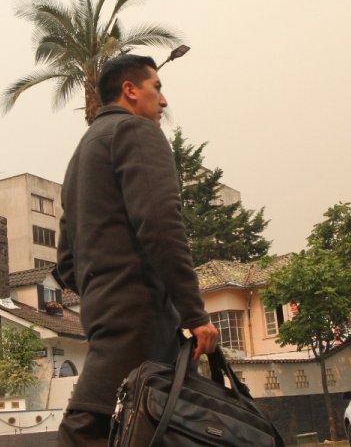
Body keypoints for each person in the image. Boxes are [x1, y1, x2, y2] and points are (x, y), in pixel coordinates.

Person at [54, 54, 219, 446]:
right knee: (87, 429)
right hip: (140, 318)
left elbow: (65, 263)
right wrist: (194, 313)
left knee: (146, 431)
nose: (163, 101)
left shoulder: (81, 155)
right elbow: (162, 227)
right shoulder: (136, 132)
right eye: (156, 88)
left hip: (104, 314)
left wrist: (102, 288)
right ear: (130, 90)